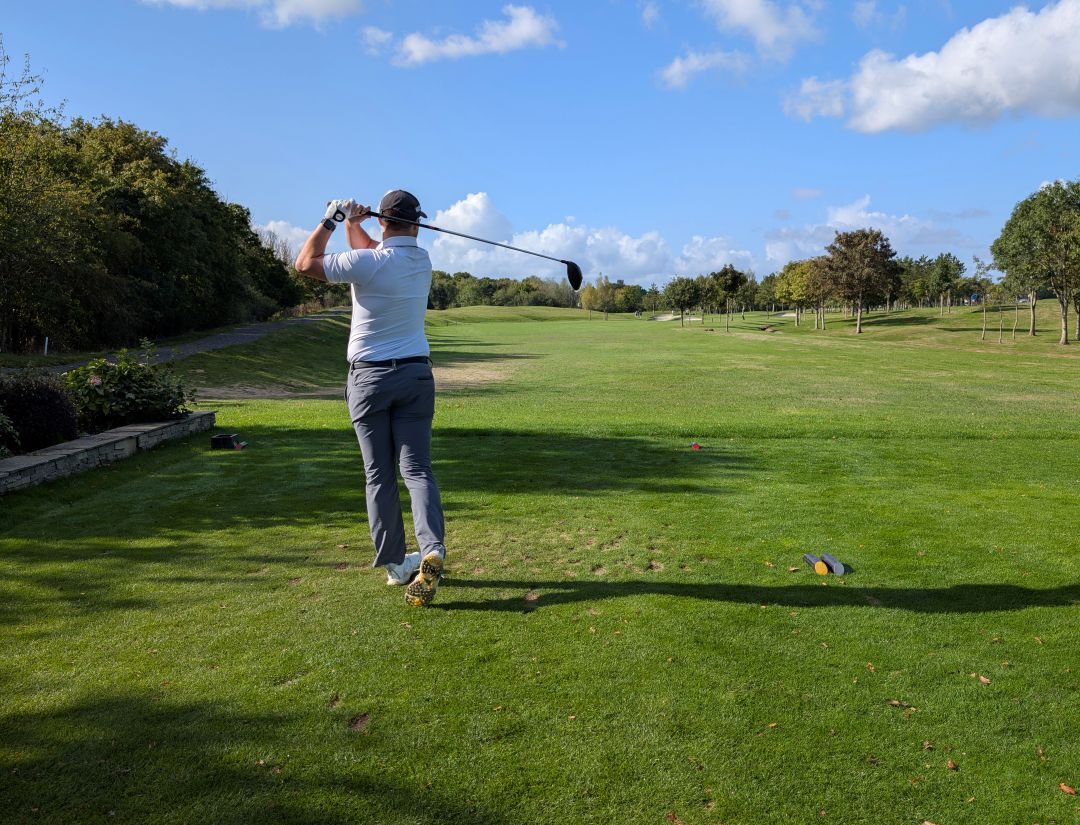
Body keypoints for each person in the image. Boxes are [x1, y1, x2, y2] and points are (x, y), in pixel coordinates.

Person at [294, 191, 446, 607]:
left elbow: (305, 264)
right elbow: (376, 255)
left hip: (370, 380)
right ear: (416, 224)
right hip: (416, 375)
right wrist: (354, 225)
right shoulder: (420, 261)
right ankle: (432, 548)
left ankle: (398, 565)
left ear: (383, 222)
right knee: (417, 470)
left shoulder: (370, 263)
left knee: (379, 475)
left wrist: (333, 219)